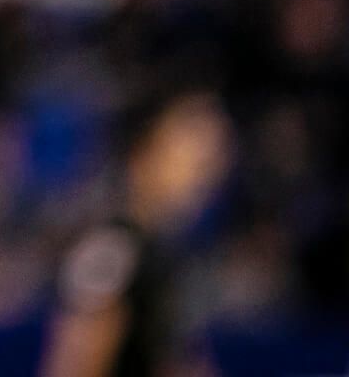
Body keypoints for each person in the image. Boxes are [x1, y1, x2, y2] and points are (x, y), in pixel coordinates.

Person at [42, 90, 234, 377]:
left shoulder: (172, 256)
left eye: (213, 158)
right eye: (193, 156)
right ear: (142, 153)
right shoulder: (112, 249)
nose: (206, 171)